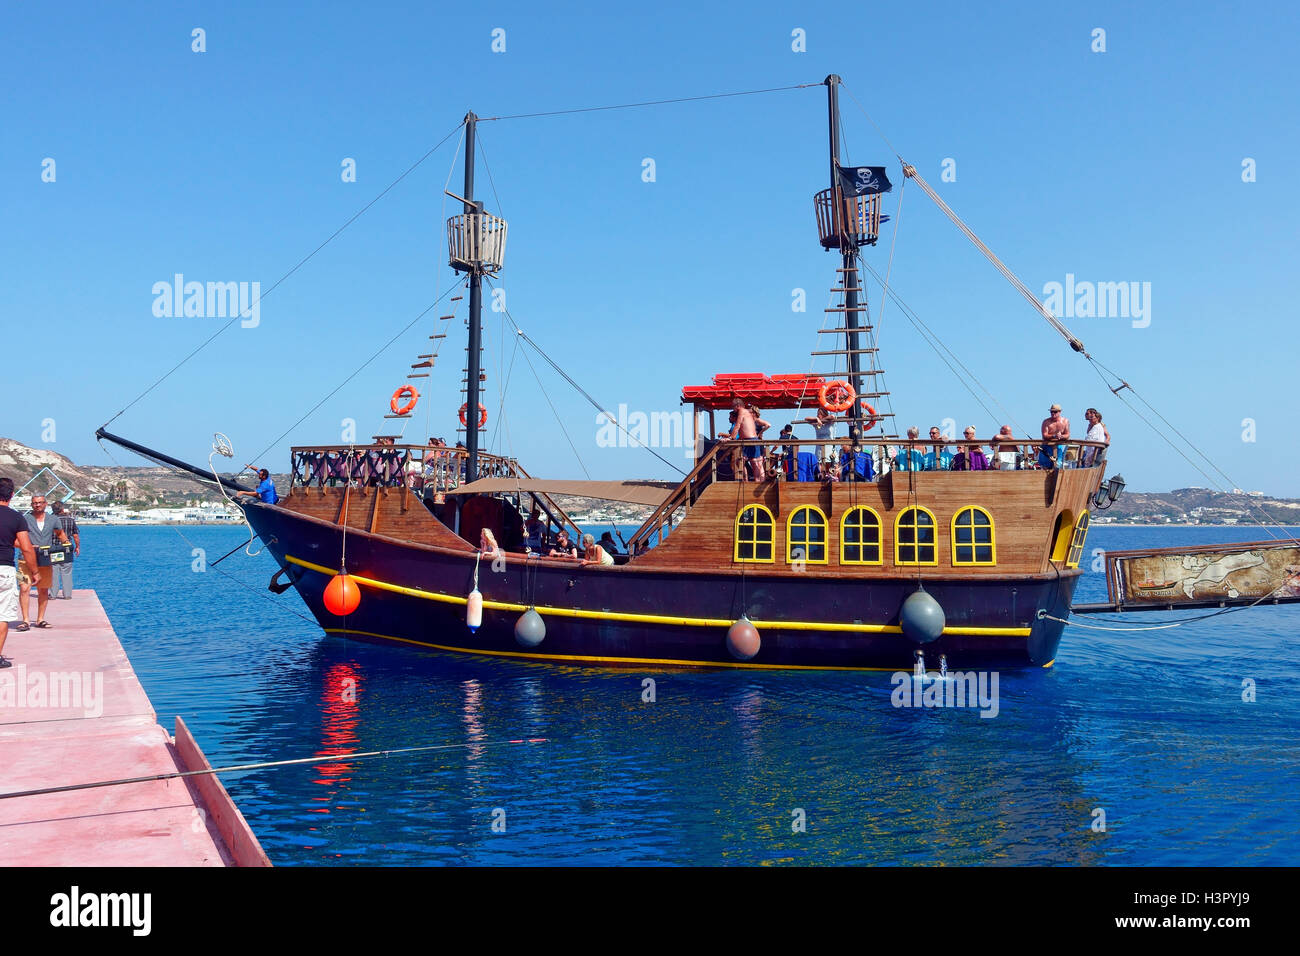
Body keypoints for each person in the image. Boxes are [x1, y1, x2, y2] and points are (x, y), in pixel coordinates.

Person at [0, 477, 40, 668]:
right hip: (5, 569)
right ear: (12, 495)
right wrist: (34, 572)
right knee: (3, 615)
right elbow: (26, 548)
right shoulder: (16, 518)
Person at [19, 494, 69, 630]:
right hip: (24, 560)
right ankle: (25, 621)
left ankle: (40, 619)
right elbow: (16, 538)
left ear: (46, 504)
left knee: (43, 590)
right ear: (31, 505)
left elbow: (60, 534)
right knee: (24, 588)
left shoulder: (53, 519)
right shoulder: (24, 519)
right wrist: (26, 547)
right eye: (35, 503)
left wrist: (66, 544)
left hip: (45, 559)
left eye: (40, 502)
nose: (37, 505)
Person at [723, 398, 770, 481]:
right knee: (745, 462)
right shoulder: (747, 413)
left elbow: (738, 425)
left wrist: (730, 438)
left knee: (754, 463)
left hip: (751, 440)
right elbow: (743, 429)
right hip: (748, 440)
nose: (733, 409)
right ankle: (748, 480)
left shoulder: (742, 411)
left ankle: (756, 481)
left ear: (738, 406)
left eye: (733, 407)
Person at [50, 501, 80, 599]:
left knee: (54, 572)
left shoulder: (50, 520)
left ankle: (53, 594)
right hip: (67, 549)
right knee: (66, 571)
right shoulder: (70, 520)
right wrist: (77, 547)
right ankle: (67, 595)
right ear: (62, 509)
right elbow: (75, 536)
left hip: (54, 549)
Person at [1039, 403, 1070, 469]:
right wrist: (1054, 436)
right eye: (1051, 412)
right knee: (1044, 467)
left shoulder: (1065, 421)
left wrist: (1061, 436)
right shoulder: (1046, 422)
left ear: (1060, 412)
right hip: (1046, 446)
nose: (1053, 413)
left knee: (1057, 465)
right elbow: (1044, 435)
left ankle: (1056, 478)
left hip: (1058, 446)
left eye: (1055, 412)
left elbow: (1067, 435)